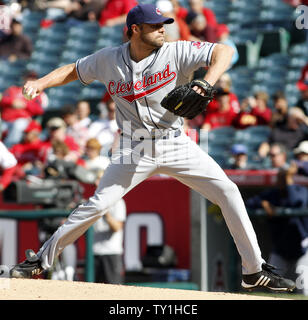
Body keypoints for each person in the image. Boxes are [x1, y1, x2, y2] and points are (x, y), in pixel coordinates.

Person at [10, 3, 295, 292]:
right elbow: (74, 70)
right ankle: (42, 262)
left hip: (175, 143)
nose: (162, 29)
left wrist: (207, 83)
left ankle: (253, 270)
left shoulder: (176, 51)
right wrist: (41, 83)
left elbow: (225, 51)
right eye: (155, 26)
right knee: (98, 205)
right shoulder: (109, 59)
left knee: (228, 191)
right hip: (133, 147)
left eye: (163, 24)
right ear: (135, 30)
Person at [246, 168, 308, 289]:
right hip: (280, 249)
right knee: (269, 284)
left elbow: (297, 202)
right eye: (280, 178)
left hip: (302, 249)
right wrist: (263, 203)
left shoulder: (300, 190)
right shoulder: (272, 194)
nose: (281, 181)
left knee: (304, 288)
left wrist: (289, 182)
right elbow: (249, 202)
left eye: (284, 178)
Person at [0, 70, 48, 147]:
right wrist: (12, 102)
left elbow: (40, 110)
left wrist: (25, 105)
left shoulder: (38, 93)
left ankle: (10, 147)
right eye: (28, 77)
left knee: (18, 125)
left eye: (33, 78)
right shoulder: (13, 89)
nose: (30, 80)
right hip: (6, 119)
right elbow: (2, 100)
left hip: (23, 119)